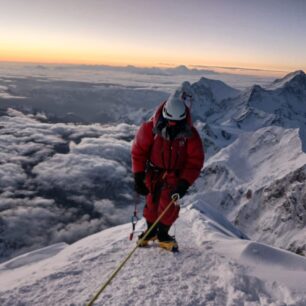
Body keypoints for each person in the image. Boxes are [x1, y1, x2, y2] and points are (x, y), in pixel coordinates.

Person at [131, 84, 204, 252]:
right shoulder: (149, 129)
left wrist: (184, 183)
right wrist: (138, 174)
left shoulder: (190, 136)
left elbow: (195, 161)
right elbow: (138, 152)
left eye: (175, 123)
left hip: (175, 177)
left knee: (169, 206)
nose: (172, 125)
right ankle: (150, 231)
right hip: (153, 173)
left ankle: (163, 234)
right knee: (151, 202)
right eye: (169, 121)